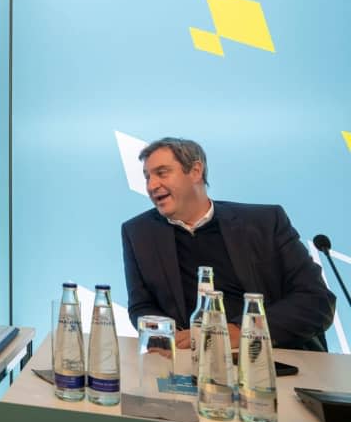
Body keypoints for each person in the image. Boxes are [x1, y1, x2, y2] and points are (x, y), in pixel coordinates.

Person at [122, 137, 335, 351]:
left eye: (161, 173)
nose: (151, 185)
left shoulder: (265, 222)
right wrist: (169, 337)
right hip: (191, 361)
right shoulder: (139, 233)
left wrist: (241, 331)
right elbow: (142, 306)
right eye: (147, 176)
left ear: (195, 171)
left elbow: (317, 301)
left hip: (275, 356)